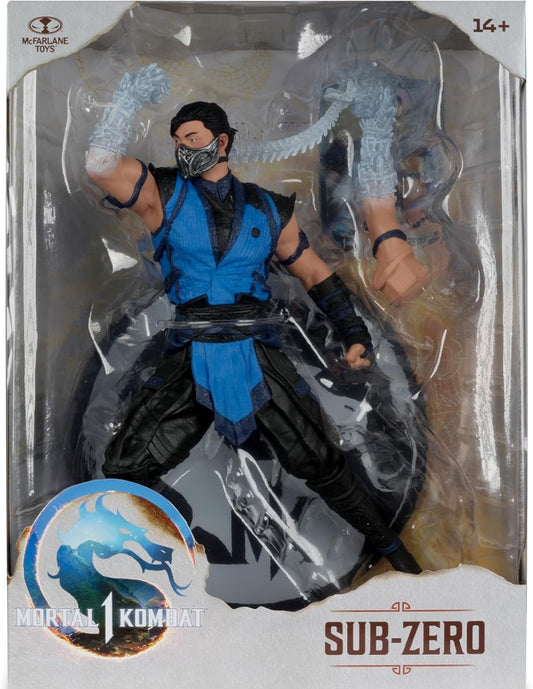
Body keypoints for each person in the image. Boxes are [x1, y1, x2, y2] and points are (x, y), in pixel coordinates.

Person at [85, 64, 422, 574]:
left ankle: (395, 553)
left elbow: (316, 275)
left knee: (320, 462)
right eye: (177, 141)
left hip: (255, 350)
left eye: (192, 138)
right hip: (192, 348)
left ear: (221, 142)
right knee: (126, 465)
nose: (183, 149)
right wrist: (126, 98)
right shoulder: (164, 193)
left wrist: (353, 332)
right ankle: (133, 557)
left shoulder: (268, 209)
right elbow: (101, 163)